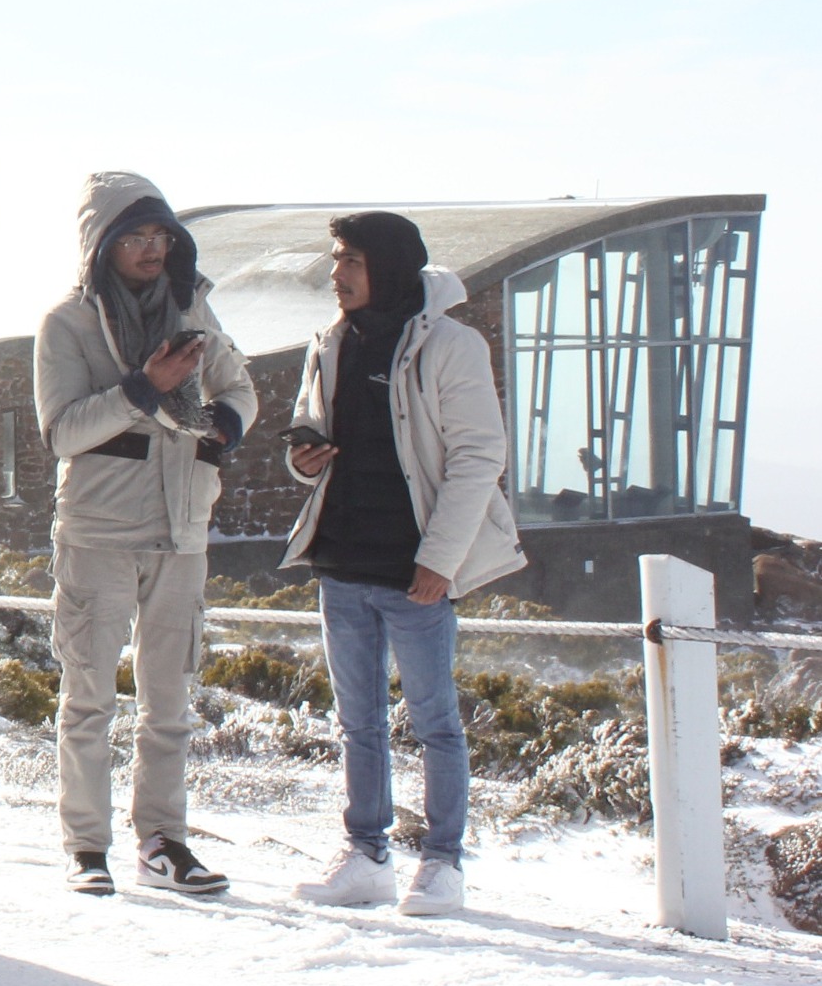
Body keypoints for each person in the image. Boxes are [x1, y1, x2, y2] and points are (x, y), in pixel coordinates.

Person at [282, 211, 524, 920]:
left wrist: (439, 561)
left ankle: (442, 864)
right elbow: (308, 426)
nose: (336, 274)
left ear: (385, 265)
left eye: (348, 260)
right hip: (342, 558)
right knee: (357, 723)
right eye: (335, 260)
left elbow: (481, 454)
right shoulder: (329, 341)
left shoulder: (452, 344)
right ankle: (365, 857)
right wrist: (300, 457)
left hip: (414, 565)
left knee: (435, 723)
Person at [34, 172, 257, 897]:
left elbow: (238, 389)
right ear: (102, 244)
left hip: (183, 532)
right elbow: (63, 432)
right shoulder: (64, 324)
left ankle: (163, 842)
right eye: (134, 236)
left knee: (169, 704)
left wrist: (221, 428)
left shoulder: (194, 306)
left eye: (160, 235)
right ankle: (85, 847)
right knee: (89, 698)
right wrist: (143, 389)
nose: (151, 249)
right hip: (97, 534)